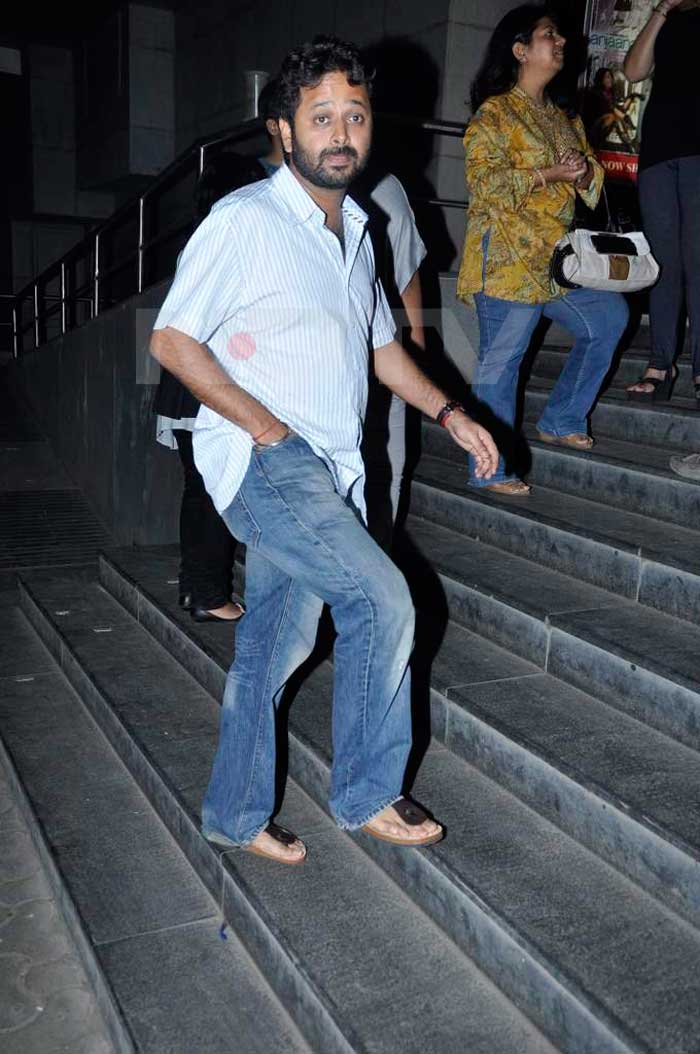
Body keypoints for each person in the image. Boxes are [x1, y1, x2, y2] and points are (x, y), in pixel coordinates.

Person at [149, 36, 498, 864]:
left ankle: (234, 814)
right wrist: (266, 428)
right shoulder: (245, 221)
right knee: (384, 600)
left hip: (333, 471)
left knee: (274, 645)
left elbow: (383, 350)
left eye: (355, 116)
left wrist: (451, 412)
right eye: (320, 118)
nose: (340, 133)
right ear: (283, 128)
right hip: (268, 463)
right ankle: (368, 792)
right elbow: (171, 340)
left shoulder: (360, 230)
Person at [458, 4, 629, 496]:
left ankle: (561, 417)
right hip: (509, 259)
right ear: (520, 49)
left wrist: (581, 170)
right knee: (502, 360)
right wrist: (548, 174)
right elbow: (484, 183)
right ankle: (489, 469)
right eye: (549, 35)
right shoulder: (495, 112)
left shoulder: (562, 116)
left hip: (556, 261)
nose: (560, 42)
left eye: (558, 35)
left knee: (609, 319)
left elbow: (593, 186)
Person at [153, 80, 283, 622]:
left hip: (187, 388)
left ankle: (202, 588)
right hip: (204, 386)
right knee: (209, 491)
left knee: (201, 489)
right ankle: (207, 592)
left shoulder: (201, 238)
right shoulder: (227, 240)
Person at [624, 0, 700, 406]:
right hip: (658, 149)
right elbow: (634, 71)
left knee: (698, 258)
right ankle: (661, 364)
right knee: (663, 262)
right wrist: (661, 10)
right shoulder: (668, 17)